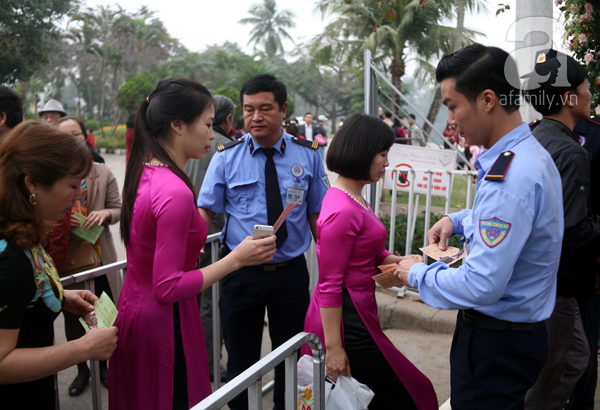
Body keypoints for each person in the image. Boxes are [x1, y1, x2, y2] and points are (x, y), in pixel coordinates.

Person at [393, 43, 564, 409]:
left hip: (496, 344)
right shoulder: (527, 158)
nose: (450, 119)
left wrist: (415, 274)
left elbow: (481, 283)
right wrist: (456, 219)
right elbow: (517, 221)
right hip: (515, 338)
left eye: (453, 106)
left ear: (487, 99)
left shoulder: (511, 176)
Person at [110, 77, 276, 410]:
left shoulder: (144, 170)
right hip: (163, 325)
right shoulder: (174, 190)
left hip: (134, 310)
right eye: (207, 124)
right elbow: (167, 287)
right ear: (177, 125)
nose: (212, 134)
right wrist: (236, 259)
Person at [198, 74, 329, 410]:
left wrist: (334, 270)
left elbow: (319, 218)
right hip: (241, 274)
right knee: (241, 363)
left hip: (290, 275)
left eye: (265, 108)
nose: (255, 117)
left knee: (290, 356)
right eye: (248, 109)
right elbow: (204, 214)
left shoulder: (309, 156)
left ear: (284, 109)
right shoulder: (227, 157)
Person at [302, 113, 438, 410]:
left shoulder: (352, 196)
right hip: (348, 318)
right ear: (363, 151)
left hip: (359, 310)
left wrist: (403, 262)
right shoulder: (343, 208)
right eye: (383, 154)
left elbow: (370, 254)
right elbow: (329, 285)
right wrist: (334, 348)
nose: (387, 163)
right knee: (412, 391)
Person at [0, 121, 118, 410]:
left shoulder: (27, 228)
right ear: (32, 184)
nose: (79, 196)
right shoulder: (10, 259)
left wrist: (61, 297)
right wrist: (82, 349)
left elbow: (24, 294)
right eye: (72, 185)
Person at [522, 49, 600, 410]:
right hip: (557, 285)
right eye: (586, 87)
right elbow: (572, 229)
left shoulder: (532, 139)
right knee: (556, 368)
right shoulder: (571, 152)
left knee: (573, 358)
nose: (590, 94)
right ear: (570, 98)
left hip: (537, 280)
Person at [57, 116, 124, 395]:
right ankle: (82, 371)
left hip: (101, 257)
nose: (72, 139)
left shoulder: (103, 172)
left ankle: (104, 367)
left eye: (76, 134)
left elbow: (119, 209)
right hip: (66, 258)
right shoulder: (52, 173)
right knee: (73, 318)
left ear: (85, 136)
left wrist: (105, 214)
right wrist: (62, 217)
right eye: (65, 136)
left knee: (103, 312)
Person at [183, 94, 236, 383]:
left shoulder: (191, 142)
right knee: (211, 302)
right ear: (227, 120)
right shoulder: (225, 146)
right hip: (214, 234)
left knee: (203, 300)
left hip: (195, 232)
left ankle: (204, 364)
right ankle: (210, 367)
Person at [566, 117, 600, 410]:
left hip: (587, 262)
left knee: (584, 351)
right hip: (545, 267)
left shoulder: (596, 134)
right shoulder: (531, 134)